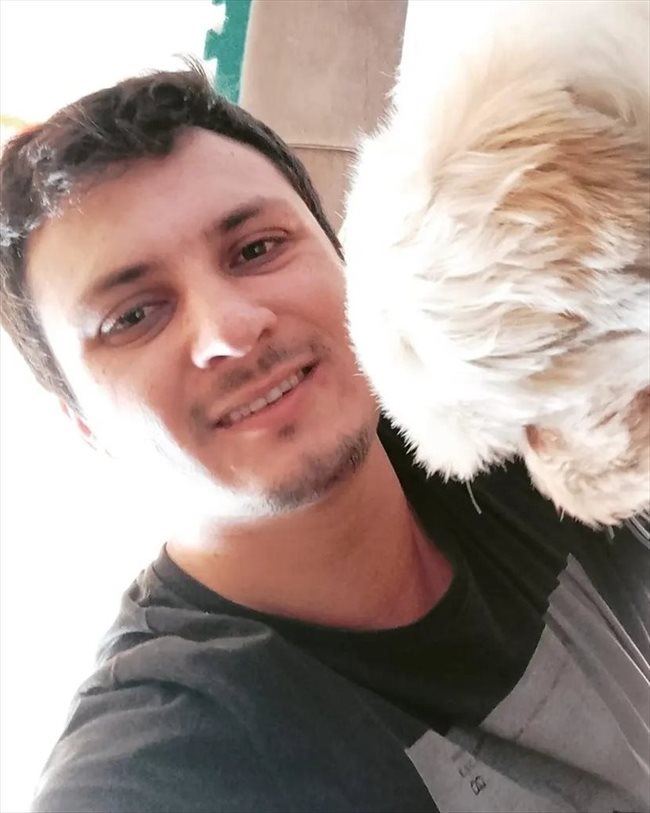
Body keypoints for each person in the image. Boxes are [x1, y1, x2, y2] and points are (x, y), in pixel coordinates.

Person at [0, 66, 647, 813]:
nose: (231, 328)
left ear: (343, 257)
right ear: (82, 422)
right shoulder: (160, 762)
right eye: (134, 316)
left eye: (256, 249)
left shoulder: (509, 414)